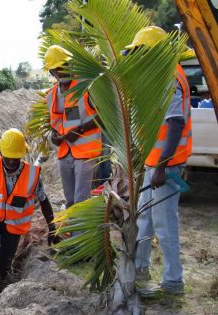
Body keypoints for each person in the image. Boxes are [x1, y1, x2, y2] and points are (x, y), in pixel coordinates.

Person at [125, 26, 192, 295]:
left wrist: (162, 166)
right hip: (155, 163)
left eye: (141, 53)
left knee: (165, 226)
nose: (138, 59)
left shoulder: (170, 79)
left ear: (154, 53)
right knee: (145, 220)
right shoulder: (162, 76)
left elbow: (175, 124)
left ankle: (174, 281)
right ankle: (140, 268)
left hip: (166, 164)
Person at [0, 128, 60, 288]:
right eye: (8, 157)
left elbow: (44, 201)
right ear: (0, 151)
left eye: (16, 158)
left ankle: (3, 287)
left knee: (5, 260)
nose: (12, 162)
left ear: (23, 153)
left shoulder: (32, 174)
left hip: (14, 224)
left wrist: (52, 227)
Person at [43, 45, 103, 209]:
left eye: (65, 65)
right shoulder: (50, 96)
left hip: (85, 153)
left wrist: (80, 130)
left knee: (81, 200)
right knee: (70, 200)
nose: (63, 71)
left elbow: (104, 117)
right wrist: (54, 136)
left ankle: (81, 233)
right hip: (64, 152)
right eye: (58, 68)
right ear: (52, 72)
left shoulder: (86, 87)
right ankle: (74, 232)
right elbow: (55, 123)